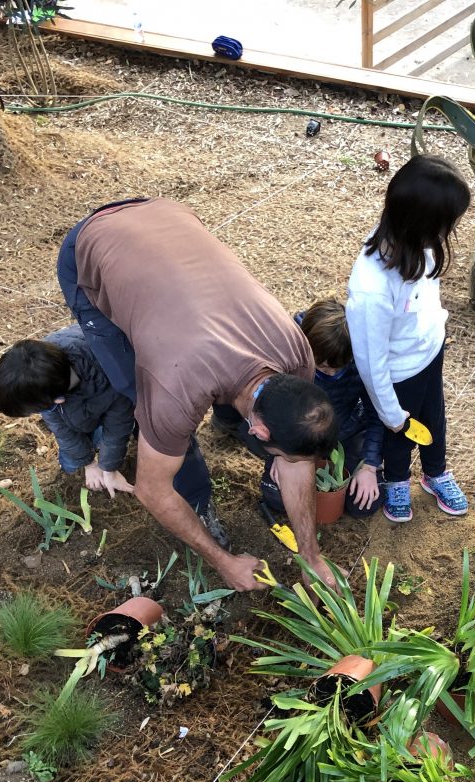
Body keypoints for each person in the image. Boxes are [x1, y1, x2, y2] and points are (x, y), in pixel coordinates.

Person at [56, 197, 338, 592]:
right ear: (258, 430)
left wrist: (312, 556)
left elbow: (297, 462)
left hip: (169, 219)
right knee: (137, 389)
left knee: (190, 391)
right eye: (283, 454)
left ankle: (219, 420)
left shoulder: (296, 357)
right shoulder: (175, 391)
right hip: (94, 245)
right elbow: (152, 491)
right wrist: (224, 562)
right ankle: (197, 501)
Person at [345, 154, 471, 523]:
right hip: (399, 372)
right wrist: (391, 414)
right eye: (445, 224)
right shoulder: (371, 290)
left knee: (434, 416)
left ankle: (435, 472)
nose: (448, 232)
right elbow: (371, 364)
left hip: (429, 350)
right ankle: (397, 479)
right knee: (400, 430)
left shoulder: (416, 242)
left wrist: (435, 332)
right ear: (421, 222)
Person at [260, 299, 384, 518]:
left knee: (363, 504)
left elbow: (376, 414)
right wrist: (281, 452)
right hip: (297, 433)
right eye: (323, 367)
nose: (332, 373)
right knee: (277, 499)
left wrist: (369, 467)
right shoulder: (288, 352)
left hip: (345, 430)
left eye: (339, 367)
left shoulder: (363, 360)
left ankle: (377, 474)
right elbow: (271, 405)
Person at [0, 324, 135, 498]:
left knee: (112, 441)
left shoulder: (108, 376)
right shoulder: (40, 381)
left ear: (58, 400)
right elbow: (62, 430)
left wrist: (109, 470)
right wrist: (89, 465)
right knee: (72, 467)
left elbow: (118, 425)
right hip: (76, 414)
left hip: (105, 403)